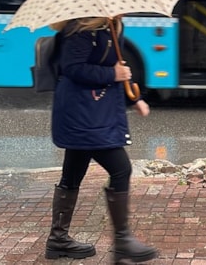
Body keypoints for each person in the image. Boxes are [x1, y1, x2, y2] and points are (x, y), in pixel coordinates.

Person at [44, 16, 158, 263]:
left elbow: (116, 69)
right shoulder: (82, 30)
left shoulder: (110, 25)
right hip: (83, 114)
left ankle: (58, 239)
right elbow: (72, 68)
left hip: (91, 112)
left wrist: (134, 98)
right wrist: (112, 73)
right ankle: (123, 242)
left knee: (73, 173)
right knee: (121, 169)